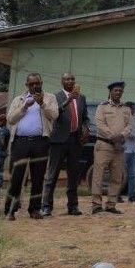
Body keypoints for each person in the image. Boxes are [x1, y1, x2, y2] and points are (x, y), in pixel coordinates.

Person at [3, 73, 58, 220]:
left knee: (38, 176)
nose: (35, 86)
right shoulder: (18, 99)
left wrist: (42, 104)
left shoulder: (50, 97)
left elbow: (54, 115)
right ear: (27, 85)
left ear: (41, 83)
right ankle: (11, 210)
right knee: (16, 176)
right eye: (31, 84)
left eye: (37, 83)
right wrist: (24, 107)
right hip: (20, 142)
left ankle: (34, 210)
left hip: (41, 142)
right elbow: (10, 119)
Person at [40, 72, 89, 216]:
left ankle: (73, 206)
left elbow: (85, 117)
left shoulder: (82, 98)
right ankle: (47, 206)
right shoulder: (55, 97)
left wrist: (86, 128)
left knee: (73, 174)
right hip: (59, 141)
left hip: (75, 141)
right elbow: (54, 113)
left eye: (72, 79)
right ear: (62, 81)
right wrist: (68, 101)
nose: (70, 81)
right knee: (52, 173)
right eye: (67, 79)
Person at [90, 82, 133, 214]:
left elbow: (130, 126)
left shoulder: (126, 109)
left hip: (119, 146)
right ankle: (96, 205)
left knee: (117, 176)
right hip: (104, 145)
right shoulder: (102, 107)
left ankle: (111, 205)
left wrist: (121, 136)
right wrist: (113, 137)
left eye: (120, 91)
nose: (118, 92)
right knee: (99, 175)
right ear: (110, 92)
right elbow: (100, 125)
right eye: (115, 90)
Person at [122, 102, 135, 203]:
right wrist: (132, 134)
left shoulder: (134, 119)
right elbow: (126, 133)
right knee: (120, 174)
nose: (134, 110)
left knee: (133, 174)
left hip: (134, 150)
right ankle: (117, 195)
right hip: (124, 150)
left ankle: (131, 195)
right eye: (133, 108)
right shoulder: (122, 119)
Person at [0, 114, 10, 200]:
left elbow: (1, 142)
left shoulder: (2, 131)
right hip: (2, 153)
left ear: (4, 121)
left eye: (0, 121)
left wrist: (0, 148)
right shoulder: (7, 130)